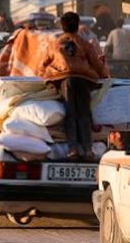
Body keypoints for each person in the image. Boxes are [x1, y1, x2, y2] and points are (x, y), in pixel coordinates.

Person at [37, 12, 109, 161]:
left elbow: (42, 65)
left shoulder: (55, 44)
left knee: (71, 113)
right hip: (84, 79)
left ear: (62, 27)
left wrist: (43, 78)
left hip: (65, 80)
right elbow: (97, 64)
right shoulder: (85, 44)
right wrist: (105, 78)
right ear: (77, 26)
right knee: (84, 114)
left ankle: (73, 149)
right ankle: (88, 150)